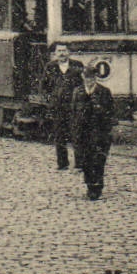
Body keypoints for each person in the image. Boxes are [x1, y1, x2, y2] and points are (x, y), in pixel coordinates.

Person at [69, 63, 115, 200]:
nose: (89, 80)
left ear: (95, 78)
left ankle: (98, 186)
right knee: (86, 161)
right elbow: (73, 112)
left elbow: (110, 112)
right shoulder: (78, 92)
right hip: (83, 133)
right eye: (87, 78)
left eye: (92, 78)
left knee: (99, 161)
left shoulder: (104, 92)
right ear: (83, 77)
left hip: (99, 133)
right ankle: (90, 185)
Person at [41, 43, 87, 170]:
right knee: (59, 136)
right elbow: (44, 86)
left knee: (77, 135)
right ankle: (62, 163)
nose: (62, 53)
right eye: (59, 51)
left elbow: (84, 85)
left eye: (64, 50)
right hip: (58, 107)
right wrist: (50, 99)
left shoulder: (77, 65)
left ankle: (80, 163)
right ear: (55, 53)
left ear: (68, 52)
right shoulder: (50, 67)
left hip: (74, 106)